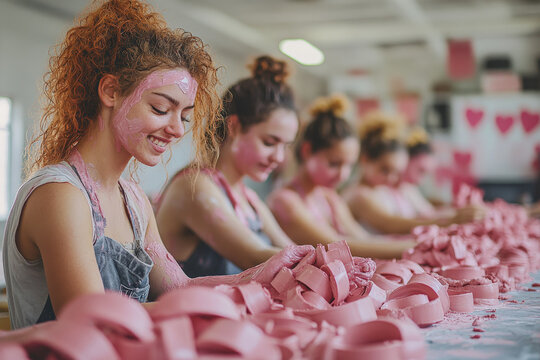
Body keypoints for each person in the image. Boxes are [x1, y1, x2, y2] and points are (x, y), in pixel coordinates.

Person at [2, 0, 310, 330]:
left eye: (185, 116)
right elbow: (91, 319)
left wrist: (271, 271)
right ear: (110, 91)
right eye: (161, 109)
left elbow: (181, 288)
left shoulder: (135, 202)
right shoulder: (61, 196)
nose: (177, 129)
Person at [155, 56, 298, 277]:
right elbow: (254, 256)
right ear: (235, 127)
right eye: (269, 143)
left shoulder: (249, 200)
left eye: (285, 146)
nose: (279, 158)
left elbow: (292, 251)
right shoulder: (194, 186)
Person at [267, 95, 414, 259]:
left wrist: (418, 243)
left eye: (350, 166)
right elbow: (335, 245)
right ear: (307, 151)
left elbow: (364, 239)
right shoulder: (285, 201)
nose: (343, 175)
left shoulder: (328, 197)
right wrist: (415, 248)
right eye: (334, 164)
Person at [343, 111, 485, 234]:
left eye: (397, 172)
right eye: (385, 169)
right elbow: (392, 224)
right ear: (365, 159)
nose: (391, 178)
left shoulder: (381, 189)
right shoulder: (359, 196)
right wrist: (450, 221)